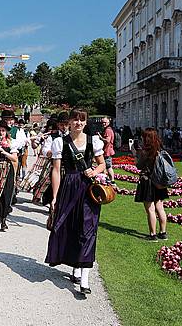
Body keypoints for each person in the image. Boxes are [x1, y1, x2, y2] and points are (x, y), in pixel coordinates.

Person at [45, 108, 105, 296]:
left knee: (88, 229)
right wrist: (54, 197)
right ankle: (75, 266)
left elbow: (102, 163)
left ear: (85, 123)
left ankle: (84, 278)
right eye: (75, 119)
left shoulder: (93, 141)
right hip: (69, 188)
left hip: (88, 190)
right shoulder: (59, 142)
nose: (78, 123)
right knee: (71, 228)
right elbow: (56, 170)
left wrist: (94, 171)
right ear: (69, 122)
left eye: (82, 120)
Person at [131, 128, 169, 241]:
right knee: (160, 208)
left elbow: (139, 166)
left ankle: (152, 235)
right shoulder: (160, 149)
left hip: (148, 182)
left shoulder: (145, 152)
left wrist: (134, 154)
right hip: (159, 182)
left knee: (150, 210)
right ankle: (163, 232)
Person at [0, 119, 19, 231]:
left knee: (7, 193)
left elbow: (14, 158)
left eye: (3, 130)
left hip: (7, 169)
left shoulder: (12, 142)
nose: (1, 132)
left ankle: (4, 220)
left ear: (6, 132)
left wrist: (4, 152)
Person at [99, 116, 116, 182]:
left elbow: (107, 140)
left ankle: (112, 181)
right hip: (108, 151)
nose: (103, 124)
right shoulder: (109, 129)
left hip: (107, 151)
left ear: (108, 122)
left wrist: (100, 137)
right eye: (102, 122)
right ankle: (107, 179)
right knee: (105, 166)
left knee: (108, 167)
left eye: (105, 122)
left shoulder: (107, 130)